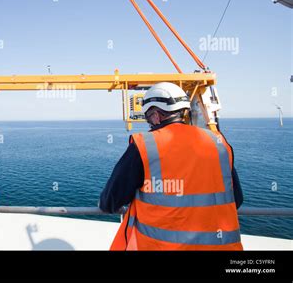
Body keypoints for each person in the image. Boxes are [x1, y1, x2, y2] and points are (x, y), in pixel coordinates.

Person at [99, 82, 243, 250]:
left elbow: (109, 201)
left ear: (156, 115)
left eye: (149, 117)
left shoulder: (144, 145)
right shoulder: (218, 142)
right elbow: (237, 199)